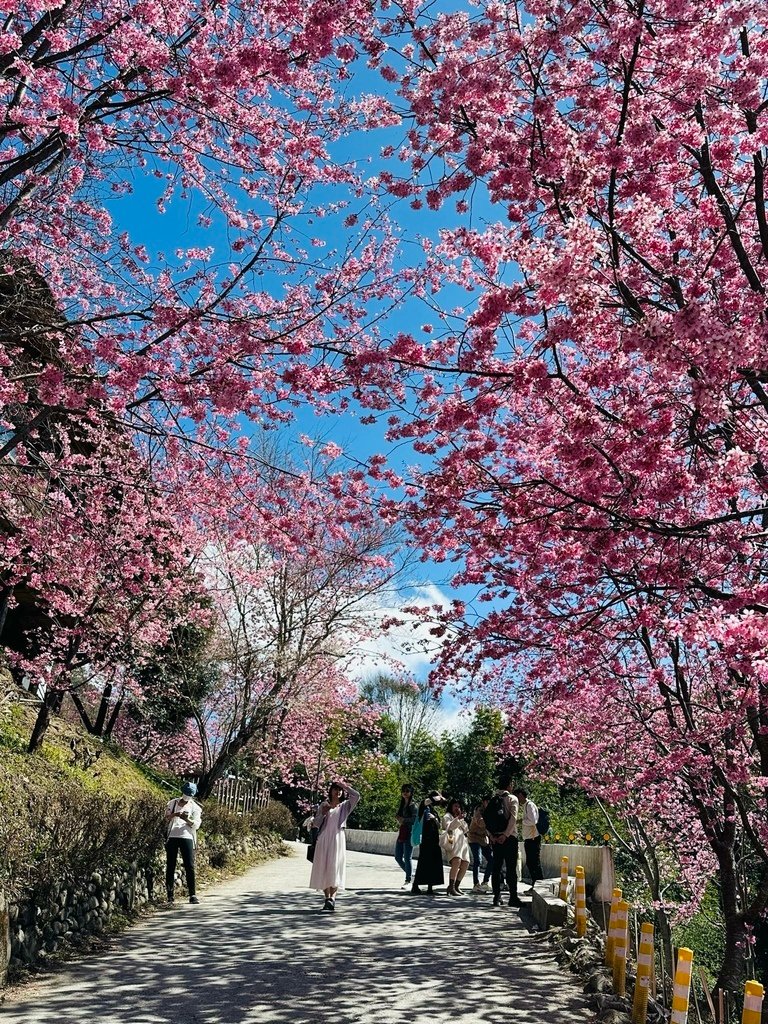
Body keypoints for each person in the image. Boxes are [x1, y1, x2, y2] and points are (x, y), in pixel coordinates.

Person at [309, 781, 361, 911]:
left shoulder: (345, 806)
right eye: (335, 789)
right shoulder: (324, 805)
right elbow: (316, 823)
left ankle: (333, 898)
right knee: (324, 867)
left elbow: (356, 796)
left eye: (340, 790)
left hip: (338, 838)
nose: (338, 792)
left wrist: (345, 786)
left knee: (335, 867)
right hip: (324, 838)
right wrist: (323, 813)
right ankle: (327, 898)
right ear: (331, 791)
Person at [484, 776, 520, 908]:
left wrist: (492, 836)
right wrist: (506, 835)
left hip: (495, 838)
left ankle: (496, 896)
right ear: (509, 785)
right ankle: (513, 897)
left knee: (497, 867)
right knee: (511, 868)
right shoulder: (512, 799)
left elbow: (486, 820)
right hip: (509, 838)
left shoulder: (493, 800)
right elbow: (513, 819)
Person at [165, 781, 203, 905]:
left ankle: (192, 894)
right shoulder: (172, 803)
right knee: (170, 865)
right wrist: (176, 814)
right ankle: (170, 895)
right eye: (186, 793)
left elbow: (197, 825)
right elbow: (167, 817)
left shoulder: (195, 807)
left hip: (187, 837)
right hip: (172, 836)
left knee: (189, 866)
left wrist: (187, 819)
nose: (187, 796)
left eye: (190, 794)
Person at [411, 791, 445, 895]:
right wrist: (437, 797)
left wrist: (434, 819)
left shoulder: (434, 811)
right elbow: (426, 801)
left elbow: (439, 825)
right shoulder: (423, 806)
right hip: (425, 839)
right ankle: (415, 885)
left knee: (434, 863)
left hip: (434, 840)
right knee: (423, 862)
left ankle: (430, 886)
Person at [441, 798, 470, 896]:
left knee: (465, 863)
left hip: (462, 844)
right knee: (456, 862)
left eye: (459, 806)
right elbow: (449, 827)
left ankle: (457, 886)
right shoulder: (447, 816)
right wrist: (457, 819)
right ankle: (451, 886)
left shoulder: (460, 818)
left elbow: (466, 830)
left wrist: (461, 819)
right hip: (452, 842)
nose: (457, 808)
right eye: (455, 806)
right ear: (451, 807)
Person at [515, 788, 542, 890]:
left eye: (518, 796)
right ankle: (536, 885)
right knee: (531, 863)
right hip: (529, 838)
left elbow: (533, 821)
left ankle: (539, 885)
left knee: (534, 863)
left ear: (521, 795)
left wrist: (521, 821)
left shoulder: (530, 805)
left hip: (533, 838)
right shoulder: (526, 806)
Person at [467, 798, 493, 893]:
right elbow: (482, 823)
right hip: (474, 838)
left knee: (491, 859)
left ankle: (485, 882)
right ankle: (476, 884)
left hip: (482, 839)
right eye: (487, 801)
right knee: (478, 860)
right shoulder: (479, 810)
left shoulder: (490, 811)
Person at [394, 783, 417, 890]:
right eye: (403, 790)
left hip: (410, 832)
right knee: (398, 857)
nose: (405, 793)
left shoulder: (413, 805)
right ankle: (411, 875)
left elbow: (415, 820)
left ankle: (408, 880)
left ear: (411, 792)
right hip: (402, 832)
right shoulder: (402, 804)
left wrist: (404, 820)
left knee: (407, 857)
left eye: (407, 791)